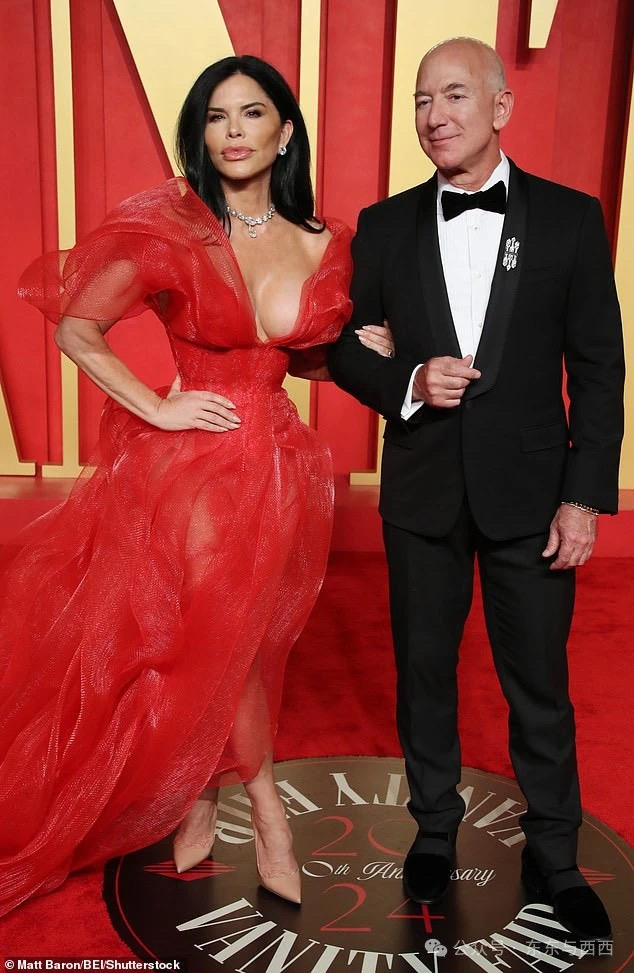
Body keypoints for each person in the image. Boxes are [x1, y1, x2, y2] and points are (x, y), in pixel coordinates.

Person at [0, 54, 393, 916]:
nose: (233, 131)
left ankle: (200, 798)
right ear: (202, 136)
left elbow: (300, 357)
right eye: (216, 117)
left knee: (245, 643)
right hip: (195, 469)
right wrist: (158, 407)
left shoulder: (326, 242)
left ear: (284, 132)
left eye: (251, 114)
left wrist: (364, 353)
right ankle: (270, 816)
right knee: (224, 639)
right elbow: (76, 328)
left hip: (279, 466)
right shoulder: (173, 229)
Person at [328, 37, 624, 941]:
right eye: (422, 100)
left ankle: (556, 851)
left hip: (534, 498)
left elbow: (599, 368)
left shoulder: (571, 219)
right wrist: (409, 380)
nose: (434, 116)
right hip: (422, 492)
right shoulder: (383, 226)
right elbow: (345, 348)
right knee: (424, 673)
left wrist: (583, 498)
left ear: (500, 107)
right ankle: (432, 829)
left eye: (454, 95)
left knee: (540, 683)